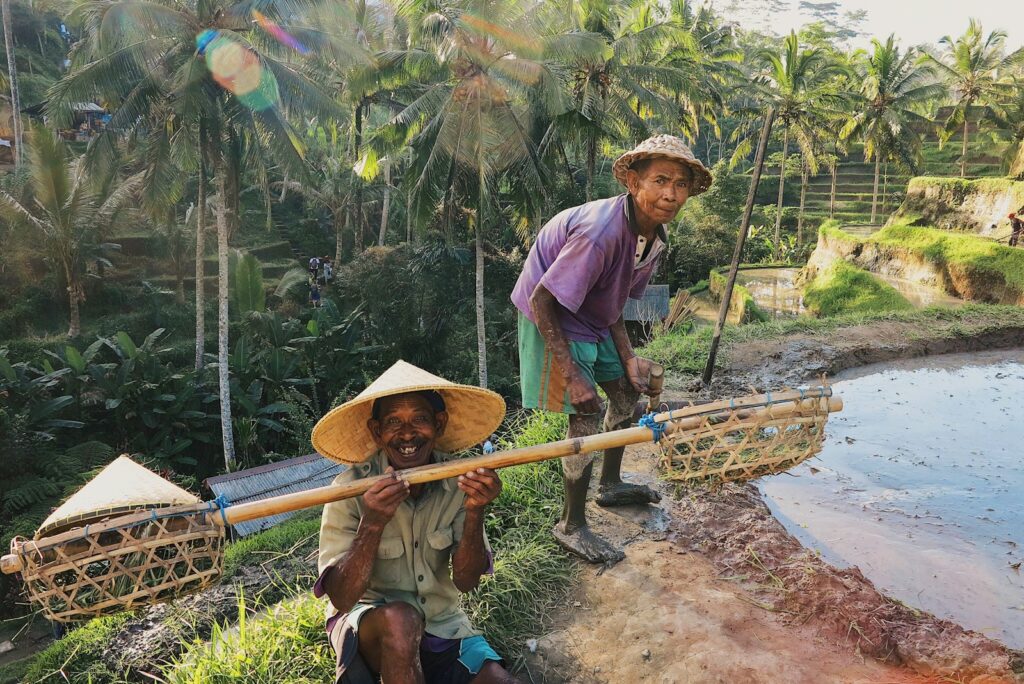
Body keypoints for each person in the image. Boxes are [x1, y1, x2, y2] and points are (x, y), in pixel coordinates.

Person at [510, 134, 712, 564]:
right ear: (634, 182)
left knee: (625, 392)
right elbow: (543, 299)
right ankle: (571, 524)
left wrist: (628, 360)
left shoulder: (653, 237)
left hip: (592, 313)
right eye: (660, 180)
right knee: (583, 414)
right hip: (554, 315)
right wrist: (573, 373)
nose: (671, 194)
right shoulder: (601, 233)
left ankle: (610, 484)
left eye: (680, 184)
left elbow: (615, 300)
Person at [312, 360, 519, 684]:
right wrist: (373, 523)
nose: (407, 433)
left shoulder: (458, 481)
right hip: (369, 623)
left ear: (438, 424)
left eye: (419, 420)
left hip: (442, 623)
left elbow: (467, 581)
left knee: (499, 680)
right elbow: (342, 598)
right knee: (401, 621)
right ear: (377, 432)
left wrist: (476, 509)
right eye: (393, 422)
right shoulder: (349, 489)